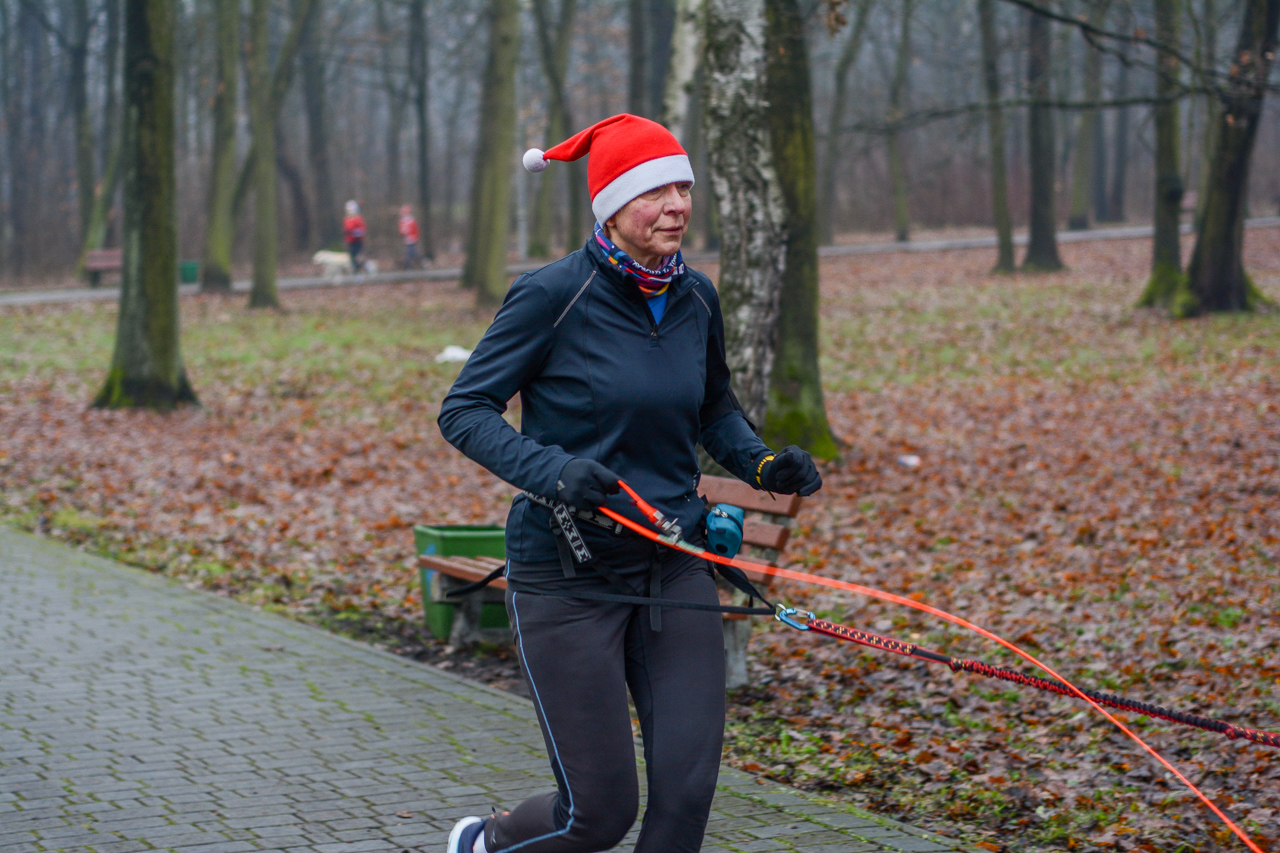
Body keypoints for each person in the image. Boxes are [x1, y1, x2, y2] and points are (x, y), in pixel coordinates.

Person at [437, 113, 823, 853]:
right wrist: (551, 470)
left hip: (670, 564)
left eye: (683, 186)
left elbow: (714, 408)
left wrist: (765, 467)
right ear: (612, 204)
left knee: (683, 800)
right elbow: (464, 409)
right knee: (598, 814)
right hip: (567, 575)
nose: (677, 203)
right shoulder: (552, 295)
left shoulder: (696, 299)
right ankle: (483, 845)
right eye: (656, 191)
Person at [343, 200, 366, 273]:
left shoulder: (358, 219)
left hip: (358, 241)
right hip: (350, 242)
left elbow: (362, 230)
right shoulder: (346, 219)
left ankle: (361, 271)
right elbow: (346, 230)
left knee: (358, 258)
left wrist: (354, 233)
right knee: (352, 258)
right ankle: (355, 272)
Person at [399, 204, 423, 269]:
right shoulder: (403, 221)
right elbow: (402, 232)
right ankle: (417, 265)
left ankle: (409, 267)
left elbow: (414, 230)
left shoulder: (411, 221)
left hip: (411, 240)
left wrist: (414, 237)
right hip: (407, 240)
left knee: (411, 254)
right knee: (412, 253)